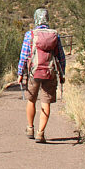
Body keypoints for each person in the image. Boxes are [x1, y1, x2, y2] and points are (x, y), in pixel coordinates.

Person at [17, 8, 66, 143]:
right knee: (46, 102)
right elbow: (61, 57)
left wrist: (20, 73)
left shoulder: (30, 35)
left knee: (31, 100)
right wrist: (62, 74)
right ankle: (41, 133)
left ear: (35, 19)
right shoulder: (55, 35)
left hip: (34, 73)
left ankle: (30, 128)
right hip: (50, 73)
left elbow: (24, 56)